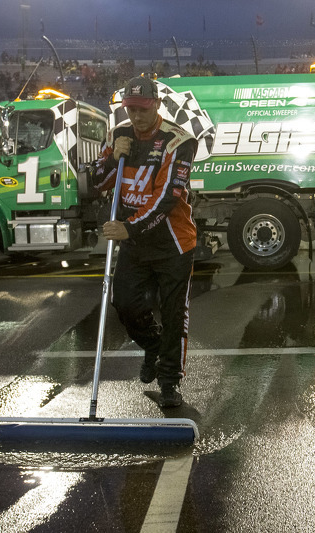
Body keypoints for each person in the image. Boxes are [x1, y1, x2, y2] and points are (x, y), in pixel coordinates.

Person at [97, 77, 198, 407]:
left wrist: (129, 227)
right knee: (123, 304)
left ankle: (170, 381)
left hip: (172, 242)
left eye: (143, 109)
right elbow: (96, 182)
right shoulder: (120, 136)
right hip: (136, 244)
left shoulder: (179, 141)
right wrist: (113, 157)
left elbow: (168, 196)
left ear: (156, 104)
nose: (136, 117)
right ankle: (152, 345)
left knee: (173, 313)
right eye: (131, 109)